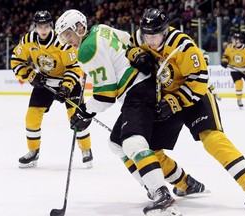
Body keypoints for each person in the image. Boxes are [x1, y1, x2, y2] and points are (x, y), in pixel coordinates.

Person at [127, 8, 245, 212]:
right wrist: (135, 53)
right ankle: (186, 185)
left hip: (195, 98)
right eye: (147, 35)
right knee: (150, 150)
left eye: (155, 35)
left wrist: (174, 101)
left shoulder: (183, 45)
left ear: (165, 30)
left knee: (212, 139)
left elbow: (199, 81)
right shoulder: (141, 37)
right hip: (168, 99)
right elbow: (128, 44)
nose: (150, 40)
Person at [55, 9, 185, 216]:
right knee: (116, 143)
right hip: (143, 84)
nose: (66, 41)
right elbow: (127, 39)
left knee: (132, 142)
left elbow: (106, 95)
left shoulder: (87, 49)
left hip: (138, 89)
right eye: (63, 37)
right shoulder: (100, 29)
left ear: (80, 28)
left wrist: (84, 112)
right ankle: (154, 184)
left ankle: (161, 194)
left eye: (68, 35)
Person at [10, 11, 93, 169]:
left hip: (69, 82)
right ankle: (33, 152)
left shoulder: (62, 41)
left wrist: (66, 88)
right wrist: (30, 75)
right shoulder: (28, 40)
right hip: (45, 81)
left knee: (76, 118)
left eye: (46, 26)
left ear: (51, 26)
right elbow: (16, 60)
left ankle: (86, 149)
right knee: (31, 117)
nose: (43, 30)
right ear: (35, 26)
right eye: (40, 26)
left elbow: (73, 67)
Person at [221, 32, 245, 108]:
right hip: (234, 70)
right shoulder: (229, 47)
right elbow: (225, 56)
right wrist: (224, 61)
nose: (232, 41)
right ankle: (239, 100)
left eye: (234, 39)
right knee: (239, 84)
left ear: (239, 41)